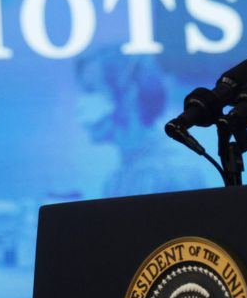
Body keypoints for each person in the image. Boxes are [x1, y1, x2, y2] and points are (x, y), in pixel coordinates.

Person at [76, 49, 205, 198]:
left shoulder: (177, 173)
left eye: (91, 89)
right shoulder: (115, 180)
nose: (81, 103)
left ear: (129, 94)